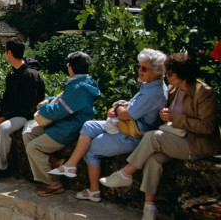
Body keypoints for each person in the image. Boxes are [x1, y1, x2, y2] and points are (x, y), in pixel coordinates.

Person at [100, 53, 220, 220]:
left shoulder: (204, 93)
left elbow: (207, 127)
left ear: (181, 75)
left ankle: (126, 174)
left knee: (152, 137)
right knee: (153, 159)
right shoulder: (173, 90)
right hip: (175, 137)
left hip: (195, 144)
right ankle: (149, 207)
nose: (166, 76)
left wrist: (174, 118)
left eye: (169, 73)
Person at [47, 49, 168, 202]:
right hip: (127, 125)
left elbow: (125, 114)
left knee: (91, 150)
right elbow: (129, 107)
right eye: (139, 66)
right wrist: (120, 107)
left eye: (144, 68)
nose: (139, 70)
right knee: (89, 126)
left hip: (134, 134)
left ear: (157, 71)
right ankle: (71, 164)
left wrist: (117, 107)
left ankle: (94, 190)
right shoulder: (149, 85)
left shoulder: (154, 92)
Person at [23, 51, 100, 197]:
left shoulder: (78, 88)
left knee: (33, 148)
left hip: (67, 129)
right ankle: (55, 161)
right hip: (65, 124)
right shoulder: (82, 82)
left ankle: (53, 183)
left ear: (70, 67)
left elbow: (57, 111)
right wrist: (49, 99)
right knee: (28, 135)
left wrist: (43, 107)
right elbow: (64, 99)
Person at [0, 40, 46, 180]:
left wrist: (1, 119)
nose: (4, 54)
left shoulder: (30, 75)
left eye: (5, 51)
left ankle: (1, 167)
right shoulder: (12, 72)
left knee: (4, 128)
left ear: (9, 53)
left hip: (25, 115)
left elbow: (26, 107)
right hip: (9, 112)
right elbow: (6, 98)